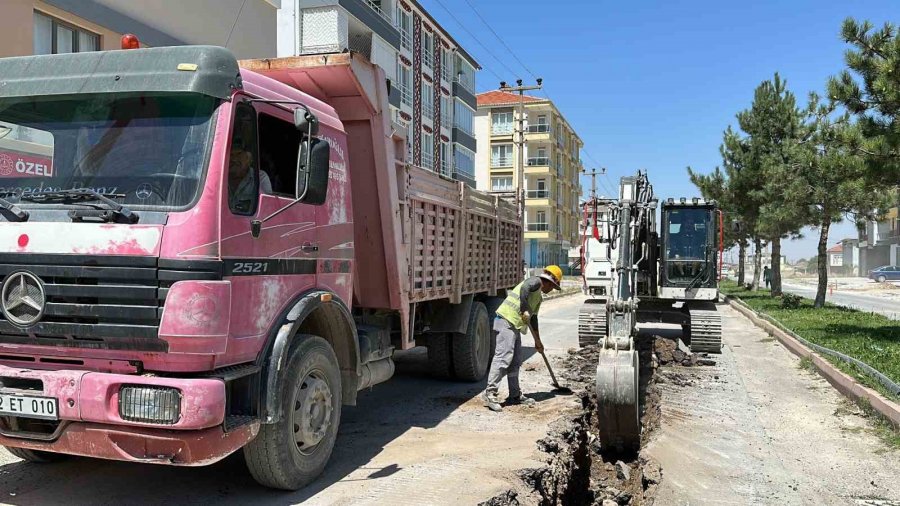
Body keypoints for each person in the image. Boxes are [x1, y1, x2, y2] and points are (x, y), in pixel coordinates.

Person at [482, 265, 562, 412]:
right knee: (503, 357)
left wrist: (538, 341)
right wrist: (524, 308)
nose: (552, 290)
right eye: (554, 286)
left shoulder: (538, 297)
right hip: (506, 320)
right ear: (549, 281)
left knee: (516, 360)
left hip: (515, 325)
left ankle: (515, 395)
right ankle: (490, 393)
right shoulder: (535, 282)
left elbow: (533, 319)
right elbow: (525, 287)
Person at [228, 144, 272, 212]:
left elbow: (267, 207)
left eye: (239, 154)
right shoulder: (219, 177)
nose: (234, 159)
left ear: (249, 159)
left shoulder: (260, 177)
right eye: (231, 155)